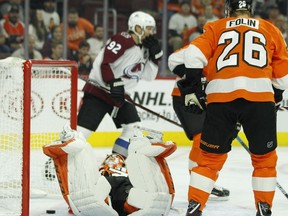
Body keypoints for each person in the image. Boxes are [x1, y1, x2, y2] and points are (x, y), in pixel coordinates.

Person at [168, 0, 288, 215]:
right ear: (250, 9)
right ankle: (264, 207)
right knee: (264, 160)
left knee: (209, 159)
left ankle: (195, 206)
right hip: (260, 99)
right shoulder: (270, 29)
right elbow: (283, 75)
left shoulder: (217, 27)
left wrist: (193, 87)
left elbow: (193, 54)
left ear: (228, 10)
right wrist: (277, 95)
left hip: (221, 99)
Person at [77, 11, 163, 158]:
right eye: (148, 28)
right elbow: (105, 62)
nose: (152, 32)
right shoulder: (123, 39)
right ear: (137, 28)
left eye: (152, 29)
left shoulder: (145, 49)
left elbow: (149, 76)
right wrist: (113, 82)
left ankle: (115, 161)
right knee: (82, 133)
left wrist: (155, 58)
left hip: (119, 97)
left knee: (133, 129)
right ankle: (56, 163)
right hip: (99, 92)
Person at [43, 124, 176, 216]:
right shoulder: (130, 176)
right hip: (127, 199)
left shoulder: (102, 177)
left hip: (108, 197)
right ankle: (143, 146)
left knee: (86, 192)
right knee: (148, 195)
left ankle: (75, 142)